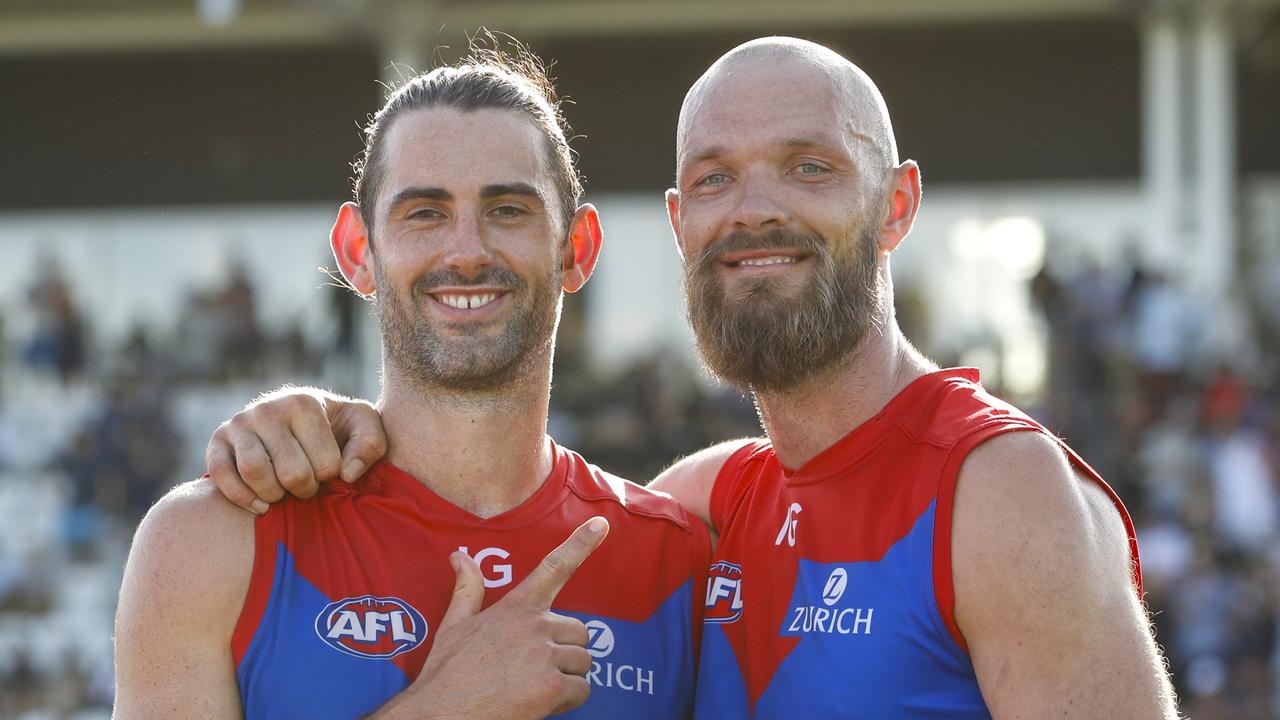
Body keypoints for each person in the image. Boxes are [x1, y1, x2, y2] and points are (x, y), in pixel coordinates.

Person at [206, 38, 1180, 718]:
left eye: (807, 167)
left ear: (895, 204)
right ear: (678, 223)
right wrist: (317, 422)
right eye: (714, 178)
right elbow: (489, 480)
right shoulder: (700, 510)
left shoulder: (1002, 494)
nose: (752, 210)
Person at [114, 44, 709, 720]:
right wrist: (444, 706)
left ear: (577, 248)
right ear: (358, 253)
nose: (467, 251)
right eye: (424, 213)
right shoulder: (210, 542)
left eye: (509, 209)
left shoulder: (678, 561)